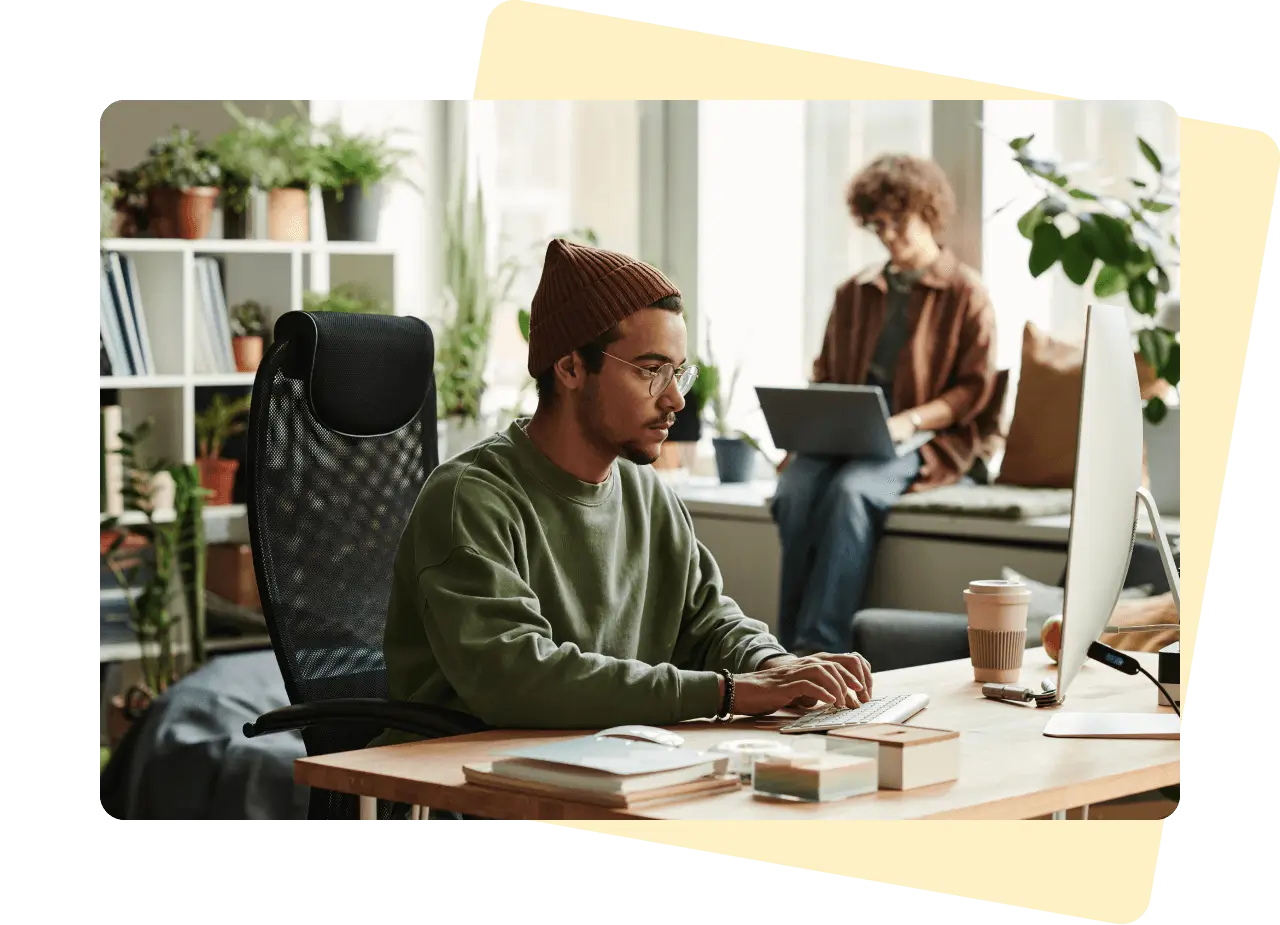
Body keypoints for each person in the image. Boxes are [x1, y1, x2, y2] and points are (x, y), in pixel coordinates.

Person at [374, 239, 877, 762]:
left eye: (678, 372)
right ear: (569, 368)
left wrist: (774, 667)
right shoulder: (471, 498)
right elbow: (517, 677)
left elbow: (706, 622)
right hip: (463, 791)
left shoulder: (648, 495)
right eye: (650, 369)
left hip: (603, 768)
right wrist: (729, 693)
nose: (676, 400)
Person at [771, 153, 1000, 657]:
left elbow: (972, 390)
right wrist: (807, 433)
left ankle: (820, 649)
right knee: (795, 490)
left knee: (852, 493)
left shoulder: (965, 293)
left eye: (899, 223)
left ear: (928, 212)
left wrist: (909, 420)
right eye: (879, 226)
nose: (890, 236)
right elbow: (827, 373)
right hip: (846, 433)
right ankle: (781, 653)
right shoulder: (853, 292)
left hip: (925, 437)